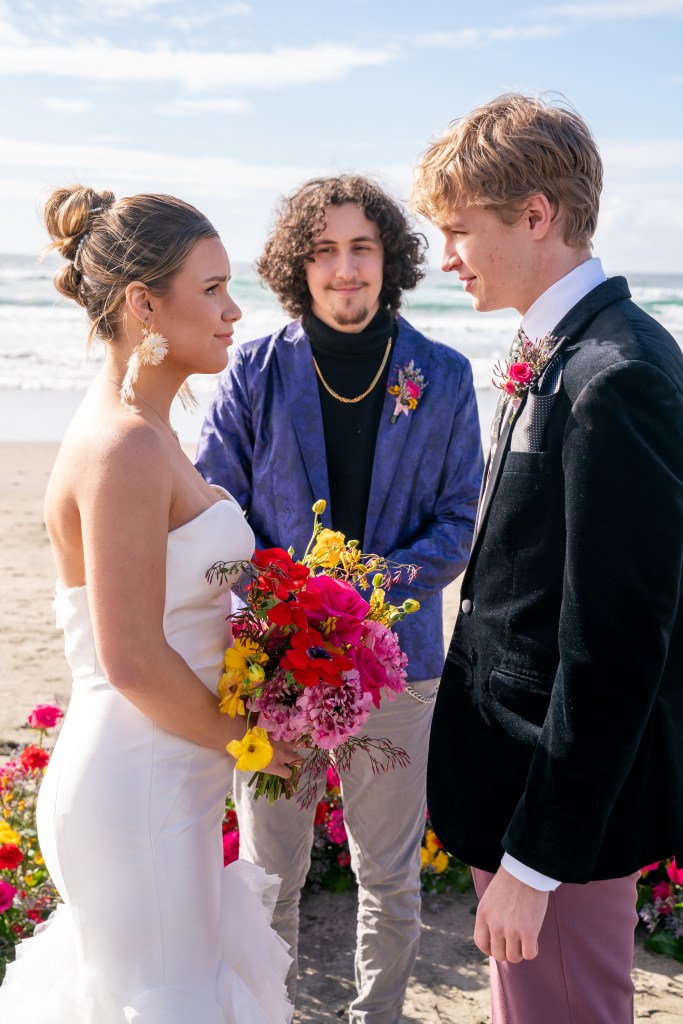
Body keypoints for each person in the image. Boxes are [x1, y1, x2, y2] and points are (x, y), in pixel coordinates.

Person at [412, 94, 683, 1023]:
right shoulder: (559, 347)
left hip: (553, 814)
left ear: (536, 216)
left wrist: (539, 859)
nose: (443, 257)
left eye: (456, 230)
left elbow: (617, 642)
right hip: (515, 793)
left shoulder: (618, 376)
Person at [0, 185, 299, 1023]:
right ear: (143, 303)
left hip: (167, 781)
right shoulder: (125, 445)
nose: (234, 310)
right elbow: (129, 654)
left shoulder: (152, 431)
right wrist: (254, 744)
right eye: (210, 289)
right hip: (139, 786)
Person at [195, 174, 483, 1023]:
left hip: (399, 671)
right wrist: (285, 613)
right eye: (324, 251)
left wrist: (358, 602)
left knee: (388, 879)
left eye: (362, 248)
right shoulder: (252, 370)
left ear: (387, 258)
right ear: (299, 266)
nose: (345, 269)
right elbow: (217, 512)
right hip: (273, 672)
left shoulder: (445, 374)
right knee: (266, 878)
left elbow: (458, 522)